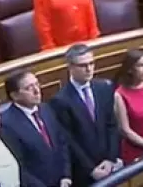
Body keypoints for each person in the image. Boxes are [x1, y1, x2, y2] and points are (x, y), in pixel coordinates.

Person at [49, 45, 120, 186]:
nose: (89, 69)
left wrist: (110, 159)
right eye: (83, 65)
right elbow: (69, 141)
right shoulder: (60, 100)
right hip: (85, 173)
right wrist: (90, 169)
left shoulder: (104, 87)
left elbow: (111, 124)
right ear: (70, 67)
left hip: (110, 165)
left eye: (91, 63)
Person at [0, 70, 72, 187]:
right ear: (14, 95)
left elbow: (62, 143)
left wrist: (66, 175)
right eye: (29, 88)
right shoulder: (6, 124)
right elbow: (19, 166)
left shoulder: (46, 108)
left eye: (37, 84)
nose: (37, 91)